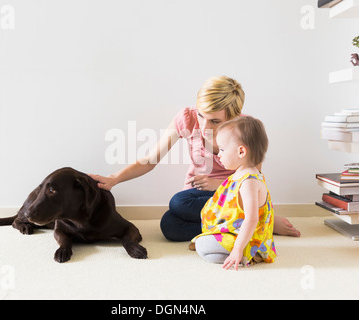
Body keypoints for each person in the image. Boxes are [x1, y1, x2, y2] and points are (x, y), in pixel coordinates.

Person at [89, 75, 300, 242]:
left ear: (234, 116)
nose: (204, 126)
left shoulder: (247, 129)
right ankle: (243, 227)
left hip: (234, 198)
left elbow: (255, 180)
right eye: (201, 115)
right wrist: (114, 178)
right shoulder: (187, 119)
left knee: (177, 202)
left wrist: (218, 185)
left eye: (215, 121)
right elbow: (151, 159)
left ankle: (258, 223)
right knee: (169, 225)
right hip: (197, 198)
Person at [192, 116, 276, 270]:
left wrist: (237, 250)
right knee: (203, 244)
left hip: (249, 239)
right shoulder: (239, 174)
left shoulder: (249, 181)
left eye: (222, 149)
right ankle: (228, 249)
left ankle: (248, 253)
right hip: (235, 232)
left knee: (203, 246)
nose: (219, 154)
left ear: (241, 151)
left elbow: (251, 219)